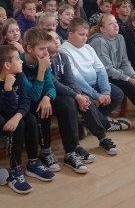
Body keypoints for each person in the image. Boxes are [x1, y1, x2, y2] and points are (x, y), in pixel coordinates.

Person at [21, 28, 90, 174]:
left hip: (43, 98)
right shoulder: (20, 65)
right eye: (42, 49)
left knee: (68, 102)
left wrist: (47, 97)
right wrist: (41, 71)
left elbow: (51, 86)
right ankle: (45, 151)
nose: (46, 53)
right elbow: (33, 96)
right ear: (29, 48)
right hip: (27, 104)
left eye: (47, 48)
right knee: (40, 107)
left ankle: (71, 152)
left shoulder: (43, 60)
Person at [61, 17, 131, 133]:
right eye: (81, 34)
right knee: (88, 101)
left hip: (95, 84)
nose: (85, 38)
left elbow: (101, 70)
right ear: (71, 34)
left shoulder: (88, 47)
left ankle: (90, 123)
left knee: (117, 94)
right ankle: (105, 124)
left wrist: (105, 91)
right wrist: (97, 95)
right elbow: (76, 78)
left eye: (86, 35)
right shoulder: (64, 50)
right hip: (80, 88)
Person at [0, 45, 51, 194]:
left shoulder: (19, 75)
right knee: (18, 125)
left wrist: (18, 116)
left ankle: (33, 162)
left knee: (31, 120)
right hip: (3, 114)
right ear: (7, 65)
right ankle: (15, 169)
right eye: (18, 59)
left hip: (16, 113)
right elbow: (8, 110)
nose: (21, 61)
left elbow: (25, 100)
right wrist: (8, 89)